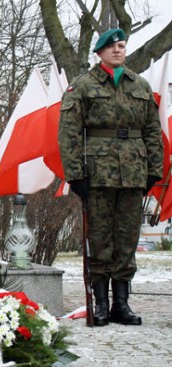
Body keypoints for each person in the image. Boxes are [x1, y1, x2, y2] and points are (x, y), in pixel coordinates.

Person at [58, 29, 163, 326]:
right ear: (99, 52)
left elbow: (153, 132)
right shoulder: (83, 86)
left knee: (127, 239)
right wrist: (75, 175)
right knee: (100, 238)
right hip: (98, 174)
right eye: (112, 47)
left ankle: (122, 304)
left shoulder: (139, 85)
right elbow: (68, 133)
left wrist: (154, 171)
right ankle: (101, 304)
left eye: (121, 46)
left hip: (133, 173)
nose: (118, 50)